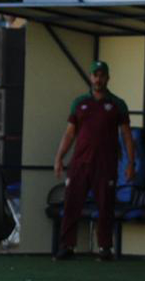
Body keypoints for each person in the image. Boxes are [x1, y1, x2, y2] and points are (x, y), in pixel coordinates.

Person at [53, 61, 135, 261]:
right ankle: (67, 246)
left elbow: (126, 135)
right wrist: (59, 157)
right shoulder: (79, 103)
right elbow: (69, 133)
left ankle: (105, 248)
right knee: (71, 203)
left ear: (108, 78)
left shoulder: (117, 104)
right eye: (95, 75)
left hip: (106, 164)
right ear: (90, 78)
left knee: (105, 205)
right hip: (80, 163)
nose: (98, 79)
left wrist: (131, 163)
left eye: (102, 75)